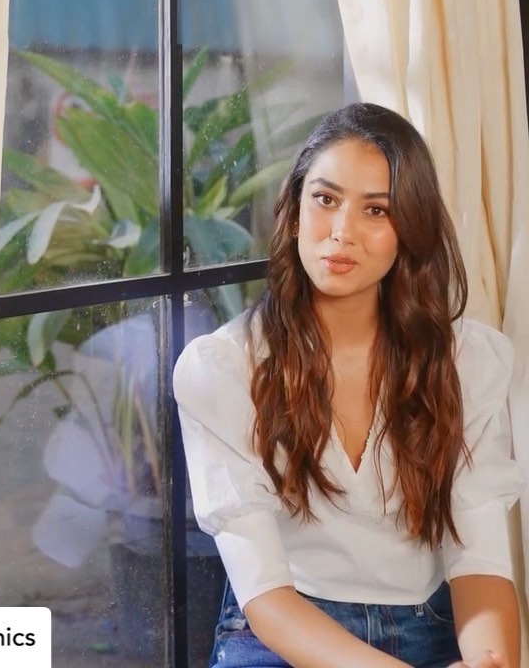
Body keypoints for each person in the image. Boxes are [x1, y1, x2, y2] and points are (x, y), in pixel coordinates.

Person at [173, 103, 524, 668]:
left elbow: (478, 558)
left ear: (409, 228)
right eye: (325, 199)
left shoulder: (469, 361)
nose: (342, 233)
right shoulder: (223, 369)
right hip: (285, 627)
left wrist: (490, 660)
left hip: (431, 623)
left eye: (376, 210)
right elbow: (266, 599)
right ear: (294, 211)